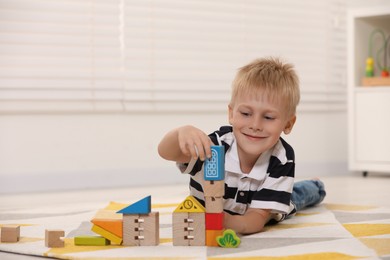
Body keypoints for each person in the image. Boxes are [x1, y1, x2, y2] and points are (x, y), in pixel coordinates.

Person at [158, 57, 326, 235]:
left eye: (268, 117)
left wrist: (223, 221)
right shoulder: (215, 147)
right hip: (224, 201)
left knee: (295, 197)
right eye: (246, 113)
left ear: (288, 124)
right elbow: (166, 152)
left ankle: (316, 185)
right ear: (231, 114)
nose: (255, 125)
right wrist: (180, 133)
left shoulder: (282, 159)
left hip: (261, 208)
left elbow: (255, 219)